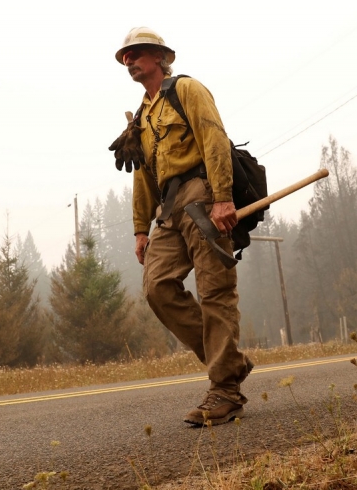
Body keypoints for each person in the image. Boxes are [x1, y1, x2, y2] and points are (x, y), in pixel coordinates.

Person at [111, 27, 253, 426]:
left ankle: (225, 390)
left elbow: (215, 140)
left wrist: (223, 197)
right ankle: (230, 362)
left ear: (159, 56)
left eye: (136, 53)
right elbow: (142, 176)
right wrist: (141, 230)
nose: (129, 61)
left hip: (203, 198)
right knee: (157, 288)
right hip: (168, 212)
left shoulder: (187, 90)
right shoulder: (140, 117)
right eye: (125, 57)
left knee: (215, 292)